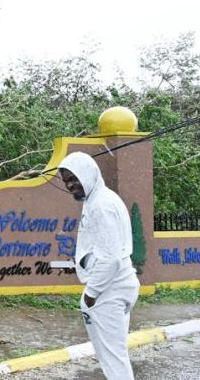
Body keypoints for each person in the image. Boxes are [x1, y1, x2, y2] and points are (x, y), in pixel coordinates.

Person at [57, 152, 141, 380]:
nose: (70, 185)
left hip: (108, 290)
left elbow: (111, 257)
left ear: (88, 174)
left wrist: (91, 295)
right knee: (115, 354)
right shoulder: (99, 199)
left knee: (112, 359)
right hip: (118, 285)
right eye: (66, 181)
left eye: (73, 178)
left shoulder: (101, 205)